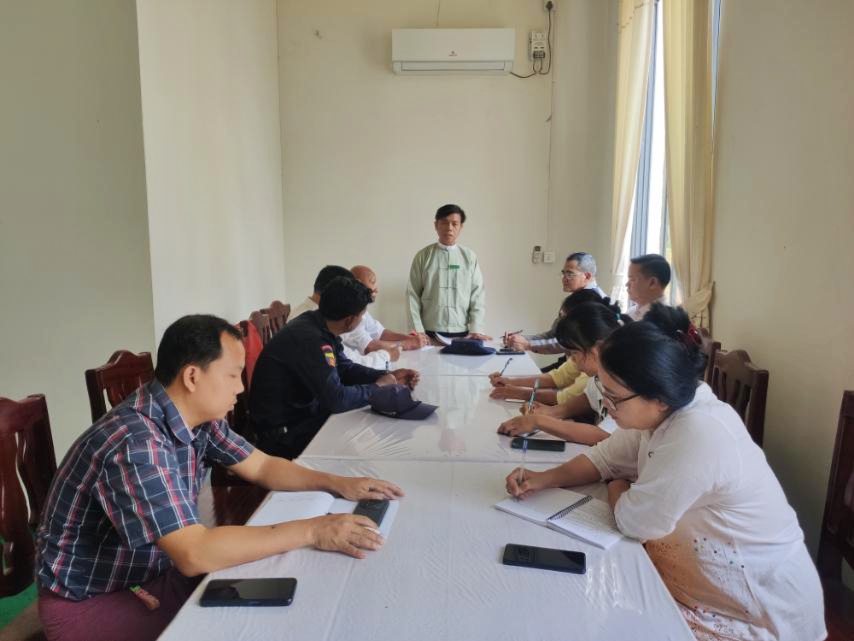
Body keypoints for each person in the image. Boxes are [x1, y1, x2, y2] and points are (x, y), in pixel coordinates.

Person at [36, 315, 405, 641]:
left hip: (155, 573)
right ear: (192, 376)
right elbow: (194, 553)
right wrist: (314, 530)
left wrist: (338, 483)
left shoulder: (198, 419)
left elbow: (262, 467)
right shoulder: (135, 443)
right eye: (232, 375)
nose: (240, 388)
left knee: (290, 596)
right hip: (95, 600)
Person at [504, 306, 825, 641]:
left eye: (614, 398)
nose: (607, 406)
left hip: (757, 611)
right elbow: (605, 458)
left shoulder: (698, 432)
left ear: (657, 396)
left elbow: (636, 522)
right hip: (702, 587)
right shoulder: (663, 410)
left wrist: (617, 485)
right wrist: (544, 478)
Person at [250, 276, 419, 458]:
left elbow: (345, 368)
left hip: (302, 417)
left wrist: (386, 375)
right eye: (362, 317)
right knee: (367, 445)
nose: (362, 321)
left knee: (366, 430)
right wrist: (378, 388)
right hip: (282, 437)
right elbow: (337, 399)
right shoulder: (310, 339)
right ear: (350, 320)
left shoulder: (318, 324)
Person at [496, 301, 623, 445]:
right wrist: (552, 412)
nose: (572, 360)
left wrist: (539, 421)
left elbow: (601, 435)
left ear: (595, 350)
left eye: (574, 353)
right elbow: (588, 398)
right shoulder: (599, 376)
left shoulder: (623, 382)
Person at [489, 289, 604, 405]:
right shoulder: (586, 353)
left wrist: (519, 392)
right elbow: (558, 377)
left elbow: (565, 398)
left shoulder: (597, 370)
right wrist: (510, 382)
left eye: (574, 352)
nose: (572, 358)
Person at [406, 204, 491, 341]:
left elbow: (477, 295)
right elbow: (412, 295)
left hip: (463, 333)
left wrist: (476, 329)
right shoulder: (423, 256)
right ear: (436, 225)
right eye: (444, 222)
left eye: (454, 223)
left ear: (461, 227)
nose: (449, 228)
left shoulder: (469, 257)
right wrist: (418, 330)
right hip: (428, 333)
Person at [290, 265, 398, 368]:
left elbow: (344, 364)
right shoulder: (317, 327)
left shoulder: (317, 317)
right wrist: (386, 356)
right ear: (333, 293)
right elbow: (348, 364)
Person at [505, 252, 607, 355]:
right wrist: (520, 339)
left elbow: (568, 342)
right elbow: (553, 335)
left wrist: (527, 345)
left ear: (587, 276)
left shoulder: (594, 303)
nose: (564, 279)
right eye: (564, 273)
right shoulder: (575, 298)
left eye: (570, 274)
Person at [341, 265, 429, 356]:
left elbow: (380, 333)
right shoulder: (348, 314)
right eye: (372, 282)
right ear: (357, 284)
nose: (376, 289)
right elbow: (369, 347)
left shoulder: (362, 311)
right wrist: (406, 344)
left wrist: (409, 338)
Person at [626, 253, 670, 321]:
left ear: (652, 283)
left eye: (632, 280)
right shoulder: (630, 312)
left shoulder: (663, 320)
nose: (627, 284)